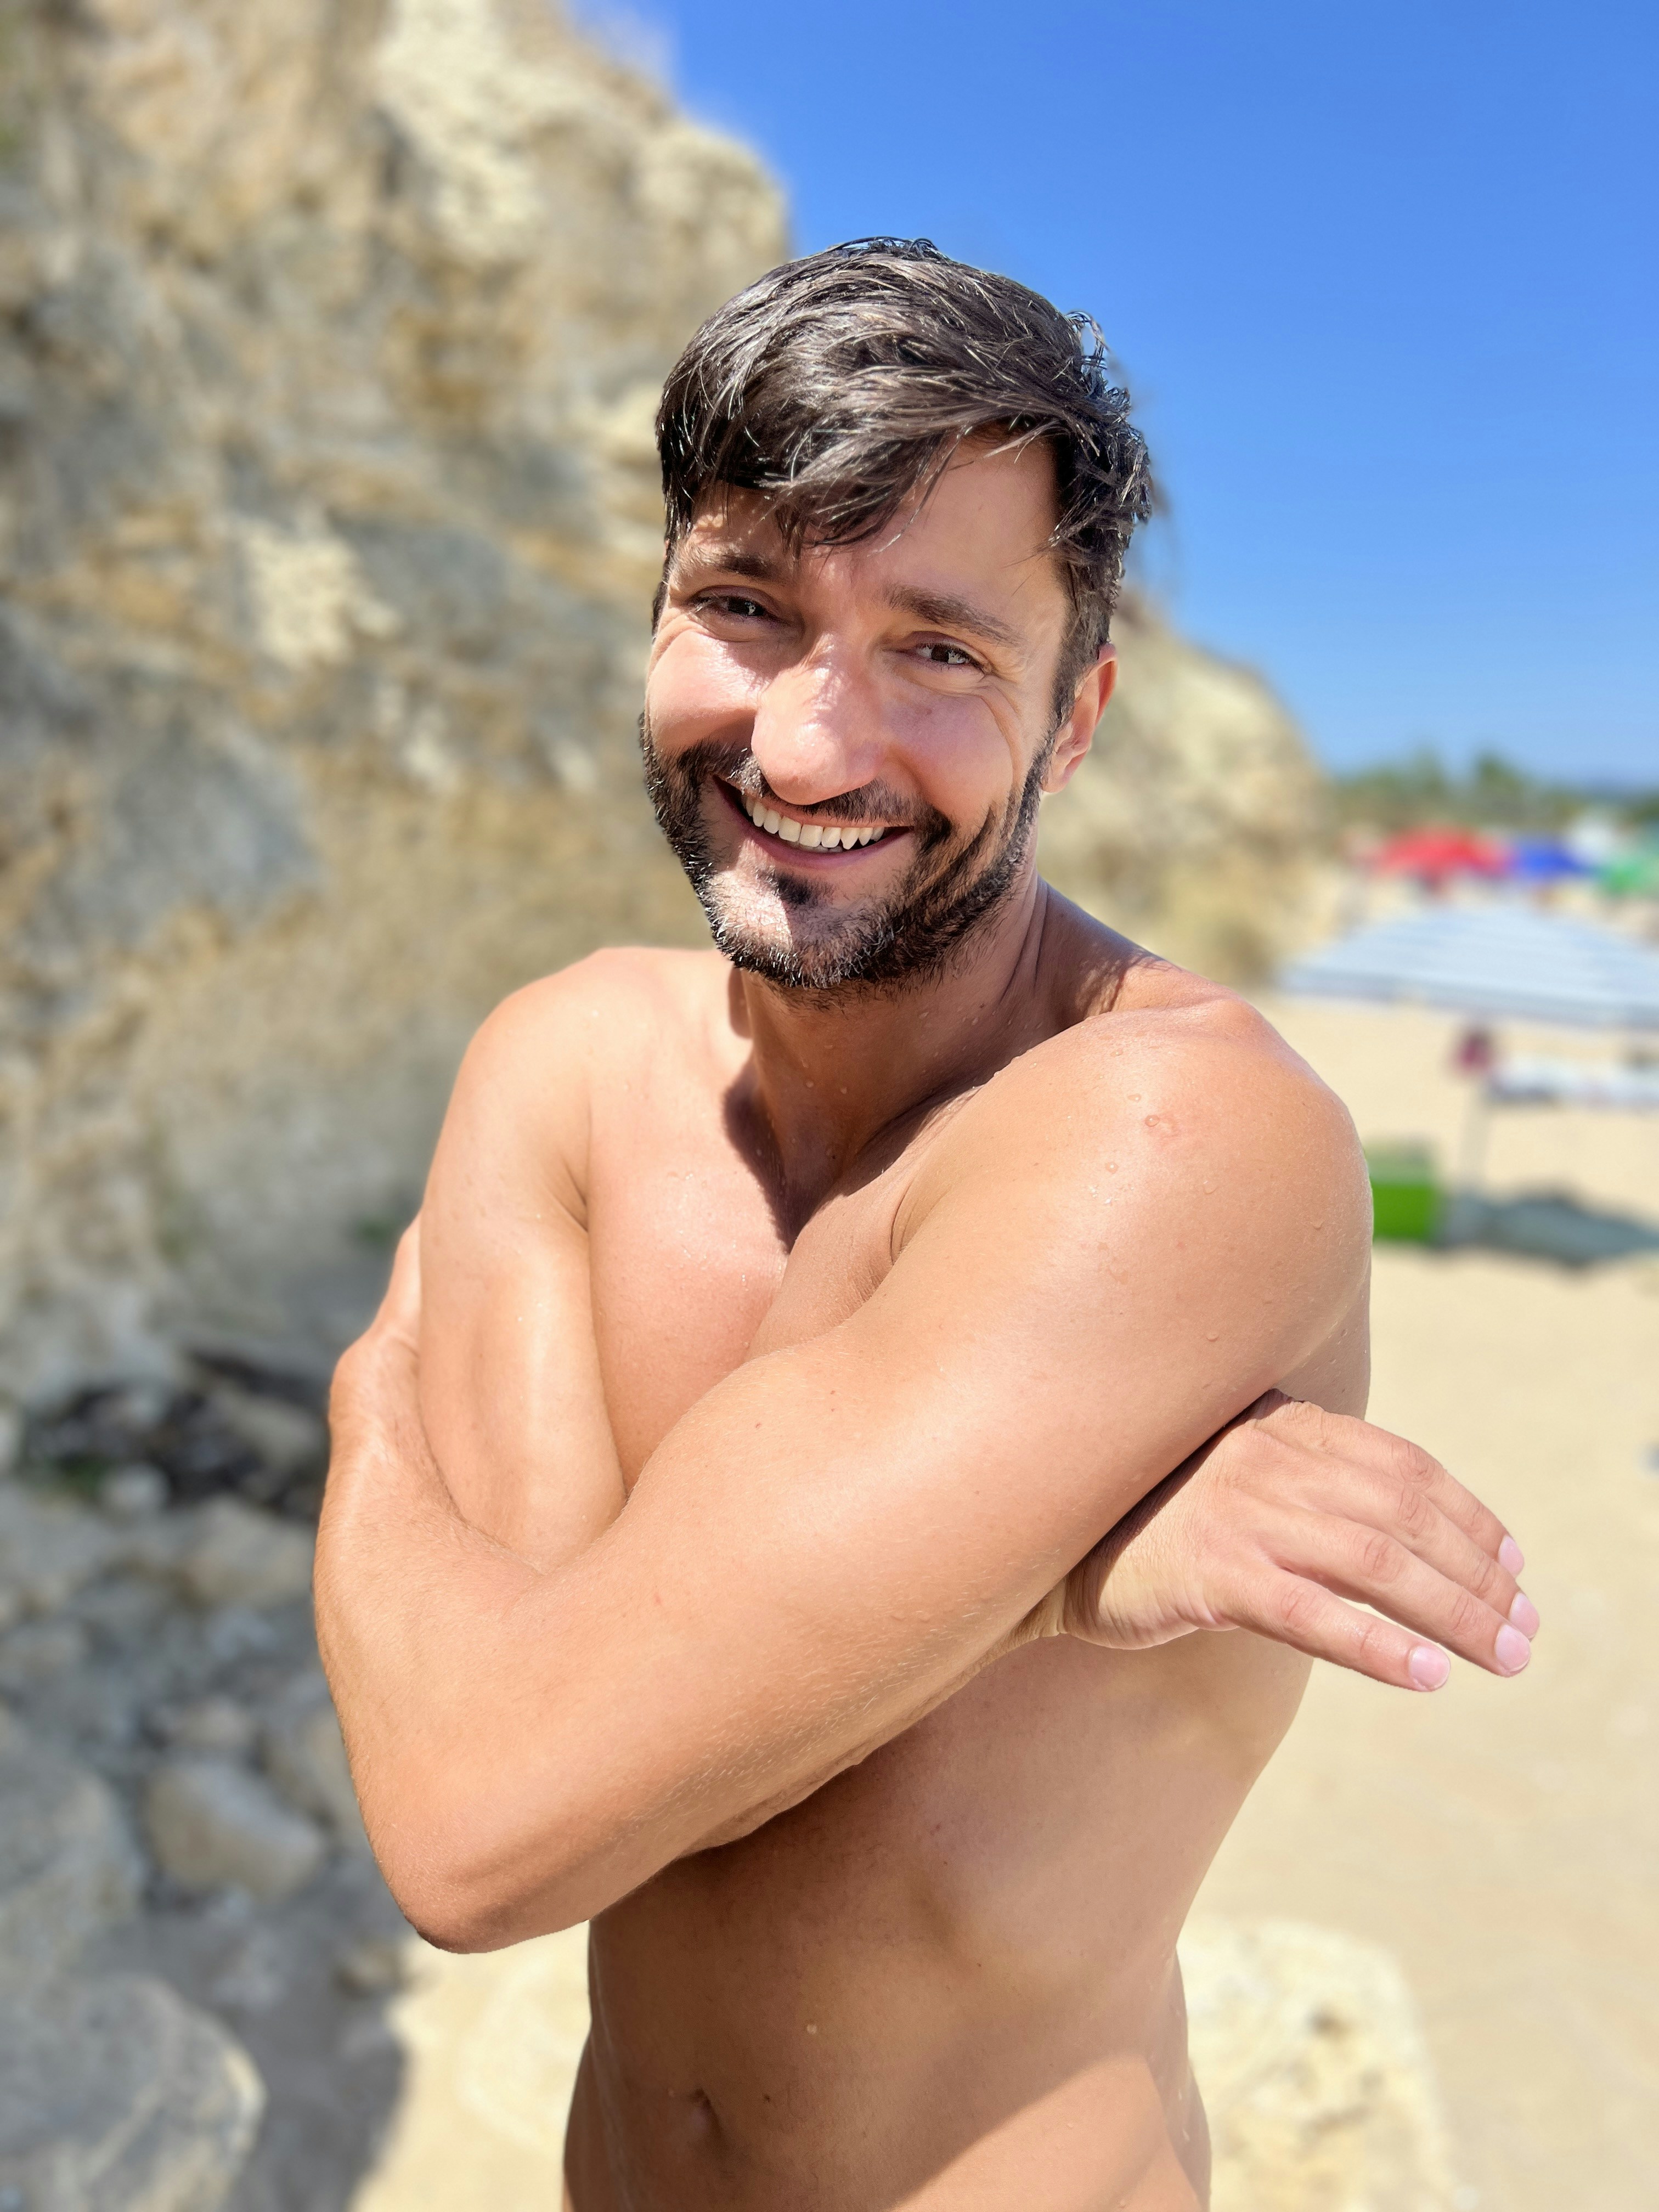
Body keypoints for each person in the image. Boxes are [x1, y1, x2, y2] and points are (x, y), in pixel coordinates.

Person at [317, 240, 1537, 2211]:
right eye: (744, 608)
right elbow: (533, 1760)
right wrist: (1029, 1573)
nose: (807, 752)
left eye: (942, 652)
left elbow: (470, 1831)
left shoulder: (1173, 1133)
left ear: (1075, 721)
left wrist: (363, 1425)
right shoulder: (564, 1064)